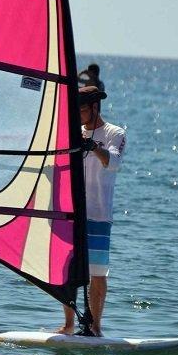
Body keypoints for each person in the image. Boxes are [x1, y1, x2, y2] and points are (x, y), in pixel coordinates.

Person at [58, 86, 126, 337]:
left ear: (95, 107)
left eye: (82, 110)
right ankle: (69, 325)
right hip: (71, 214)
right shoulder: (71, 132)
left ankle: (95, 327)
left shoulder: (114, 133)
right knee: (66, 269)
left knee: (97, 273)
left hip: (98, 214)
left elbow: (115, 162)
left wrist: (93, 147)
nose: (77, 114)